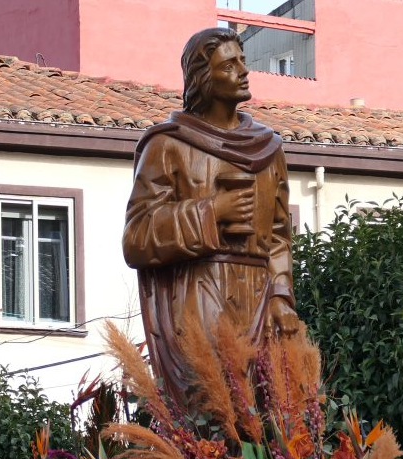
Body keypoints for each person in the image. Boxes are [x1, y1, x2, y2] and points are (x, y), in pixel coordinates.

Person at [123, 27, 299, 412]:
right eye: (229, 65)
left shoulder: (269, 149)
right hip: (198, 297)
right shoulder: (167, 145)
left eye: (243, 62)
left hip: (259, 300)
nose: (243, 71)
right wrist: (212, 211)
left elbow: (279, 237)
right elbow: (137, 237)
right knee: (210, 418)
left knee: (269, 424)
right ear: (203, 77)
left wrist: (281, 294)